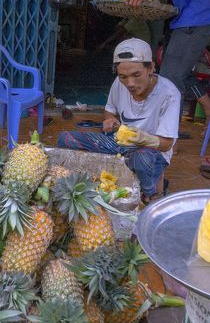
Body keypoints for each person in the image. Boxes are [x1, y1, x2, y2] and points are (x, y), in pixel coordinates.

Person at [57, 38, 181, 203]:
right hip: (118, 143)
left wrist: (143, 138)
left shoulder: (169, 93)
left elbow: (167, 144)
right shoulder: (119, 83)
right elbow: (109, 110)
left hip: (150, 151)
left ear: (150, 67)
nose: (130, 83)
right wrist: (110, 121)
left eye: (136, 75)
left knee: (142, 160)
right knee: (65, 138)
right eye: (123, 76)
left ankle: (151, 193)